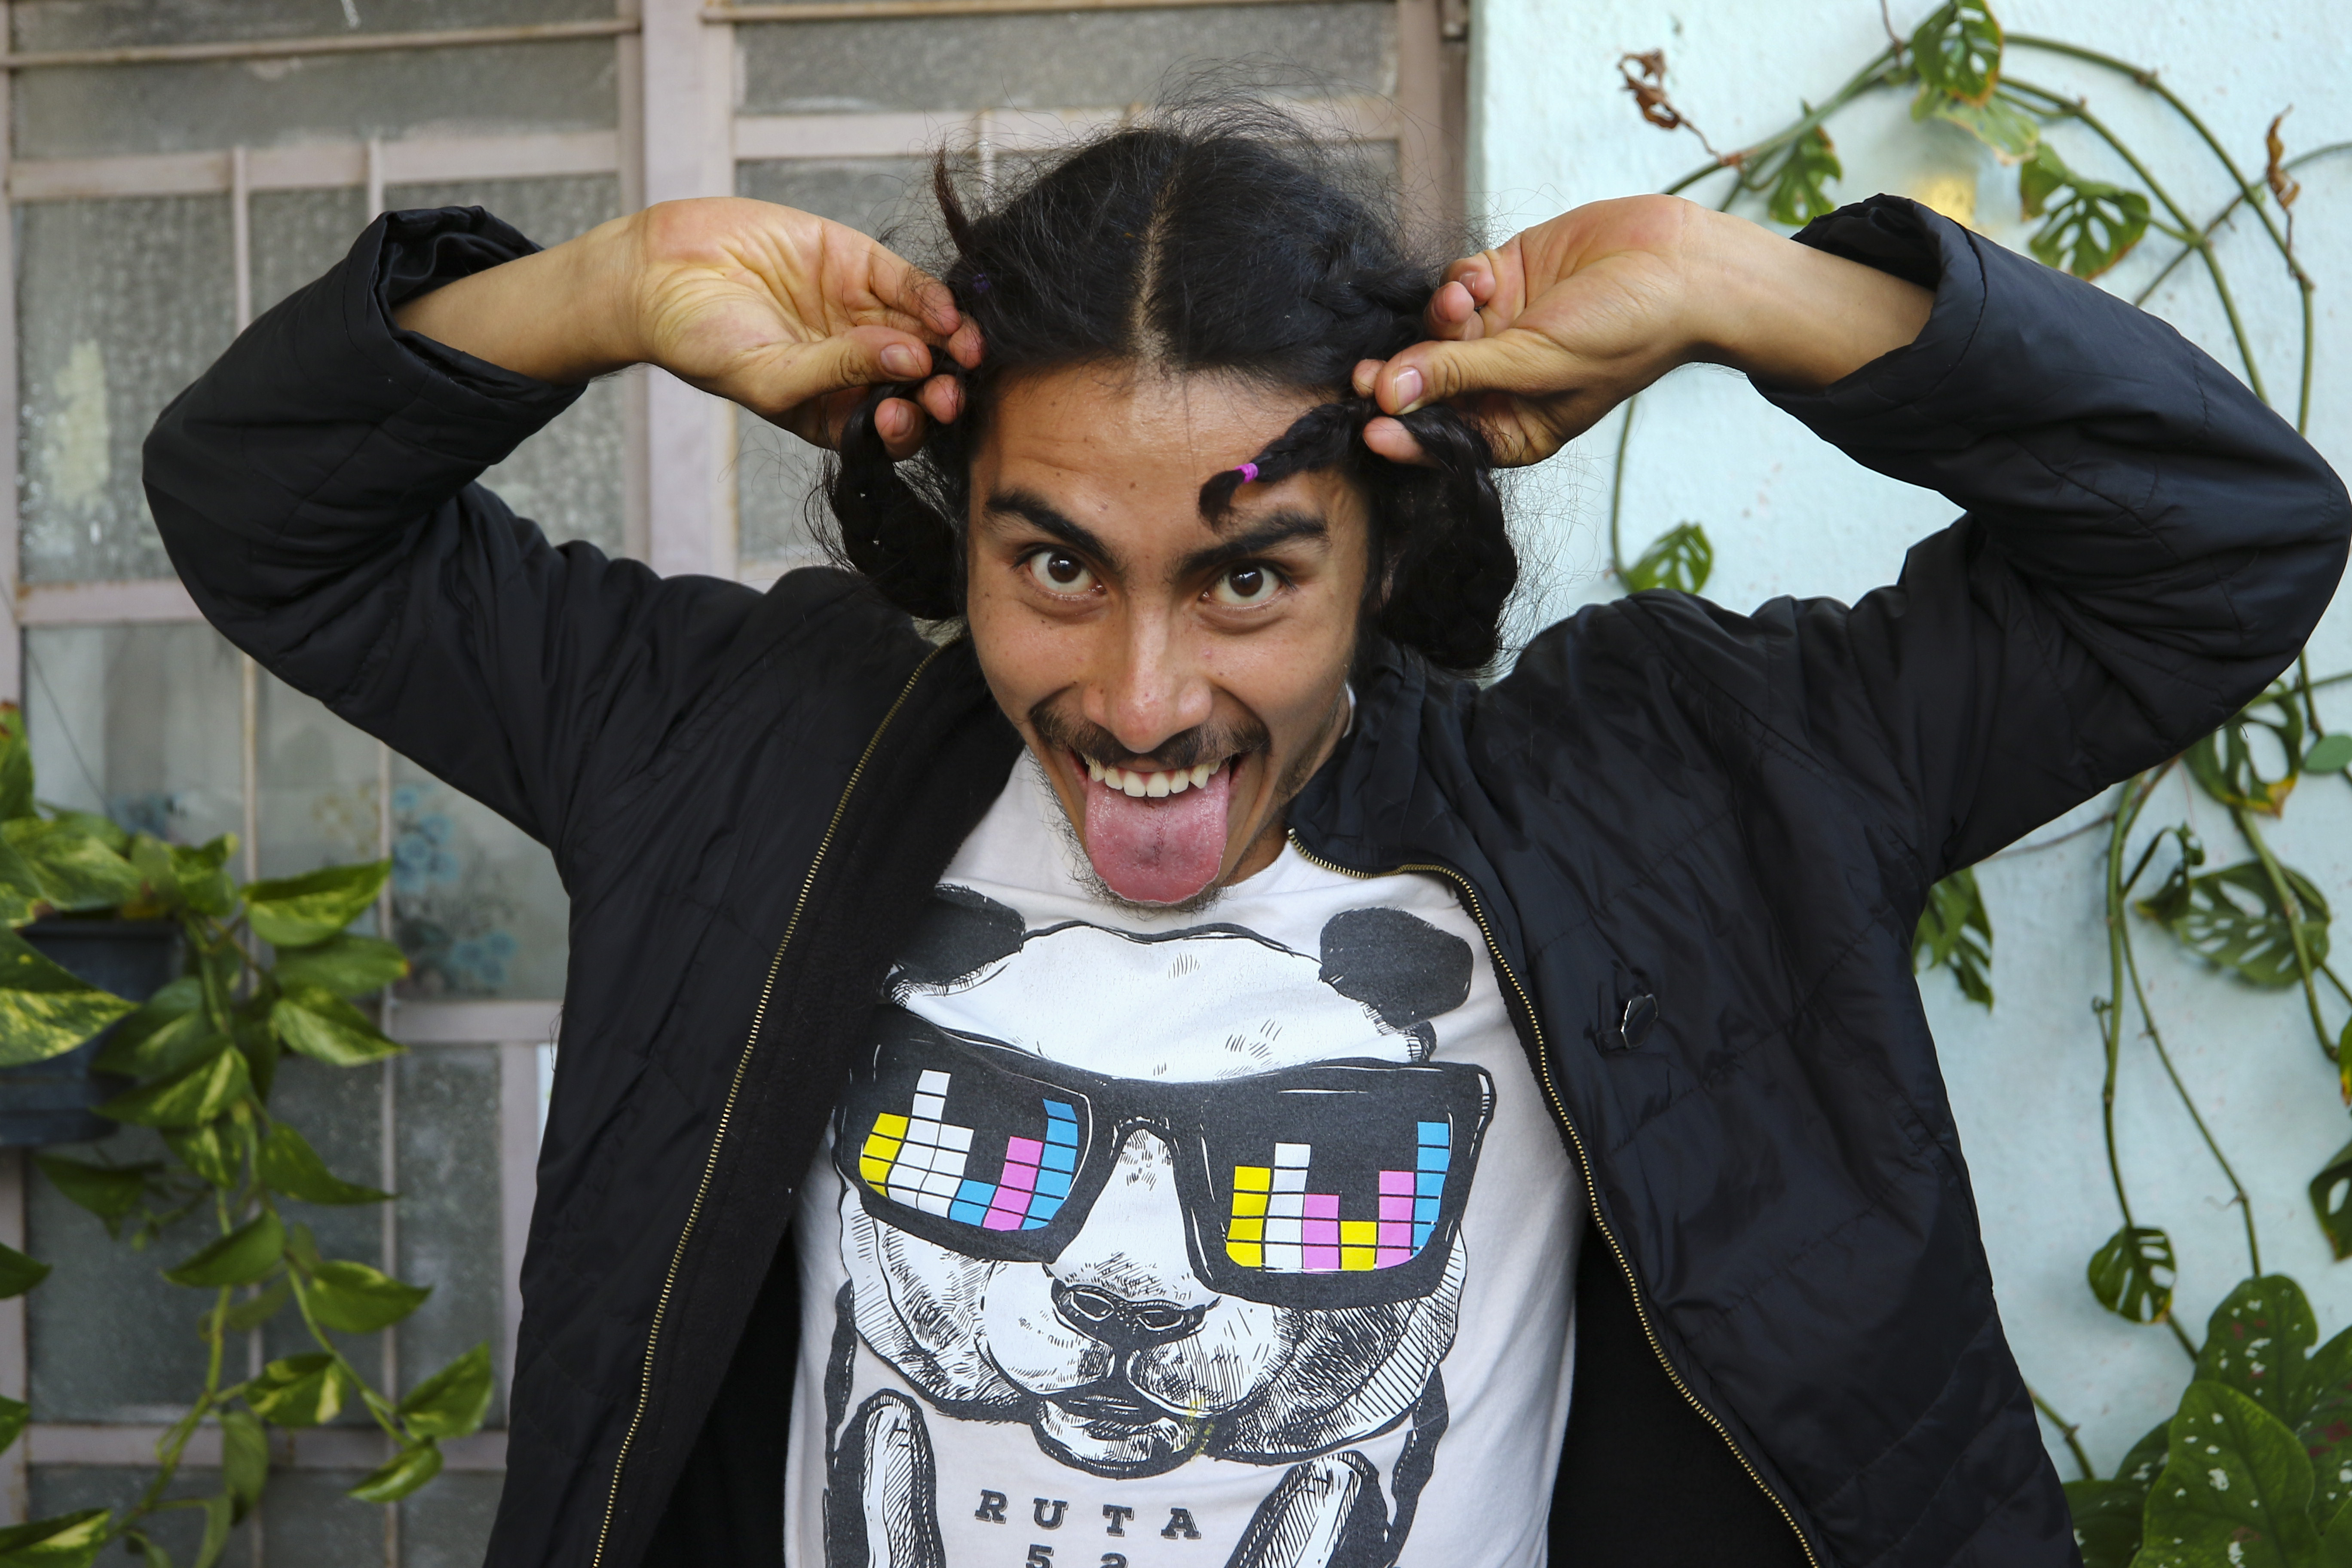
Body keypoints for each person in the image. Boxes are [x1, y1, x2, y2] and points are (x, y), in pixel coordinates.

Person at [144, 91, 2346, 1568]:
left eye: (1249, 577)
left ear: (1384, 551)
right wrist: (603, 291)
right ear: (959, 531)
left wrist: (1746, 286)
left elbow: (2220, 546)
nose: (1143, 700)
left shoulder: (1680, 792)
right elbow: (269, 515)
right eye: (1055, 563)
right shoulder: (735, 754)